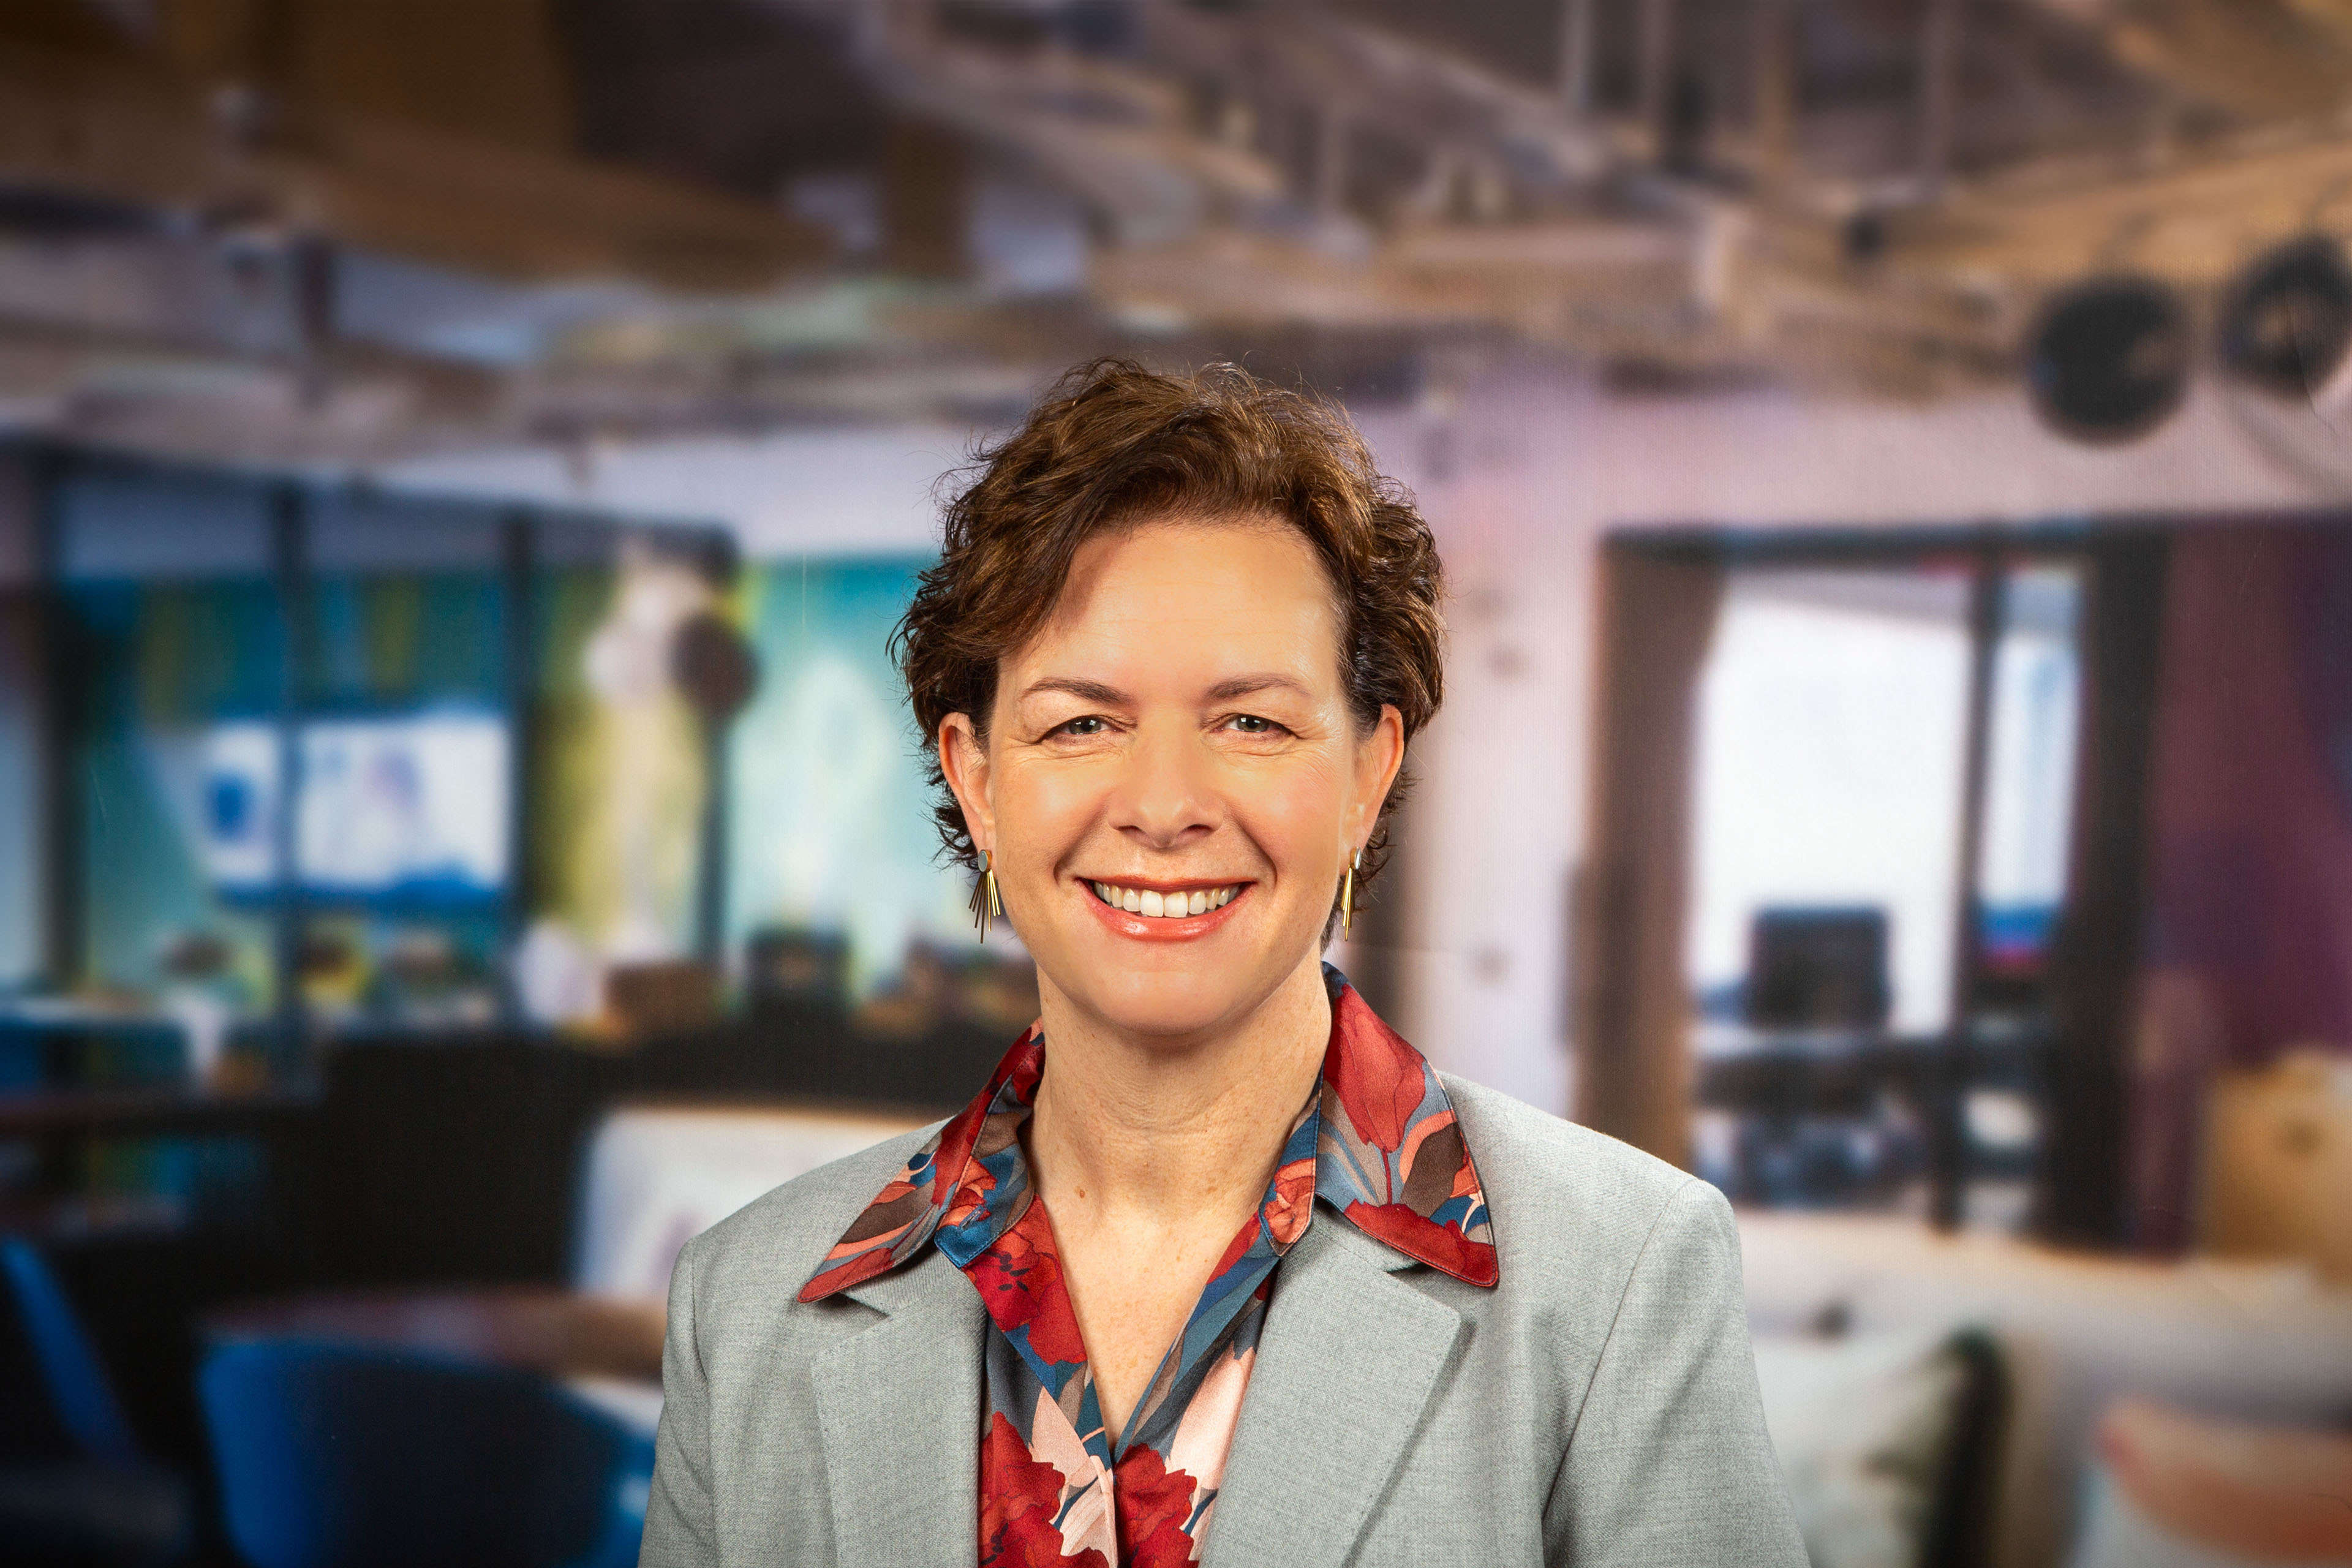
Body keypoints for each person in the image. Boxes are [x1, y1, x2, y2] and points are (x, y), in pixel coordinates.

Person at [639, 361, 1805, 1568]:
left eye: (1251, 721)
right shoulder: (746, 1303)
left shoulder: (1621, 1278)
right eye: (1082, 722)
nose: (1162, 805)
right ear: (978, 779)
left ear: (1368, 773)